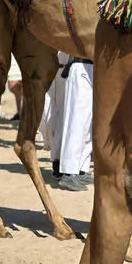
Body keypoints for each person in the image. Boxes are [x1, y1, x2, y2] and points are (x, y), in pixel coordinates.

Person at [52, 51, 94, 191]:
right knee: (76, 123)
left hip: (93, 67)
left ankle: (81, 169)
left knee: (88, 124)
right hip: (80, 66)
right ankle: (69, 173)